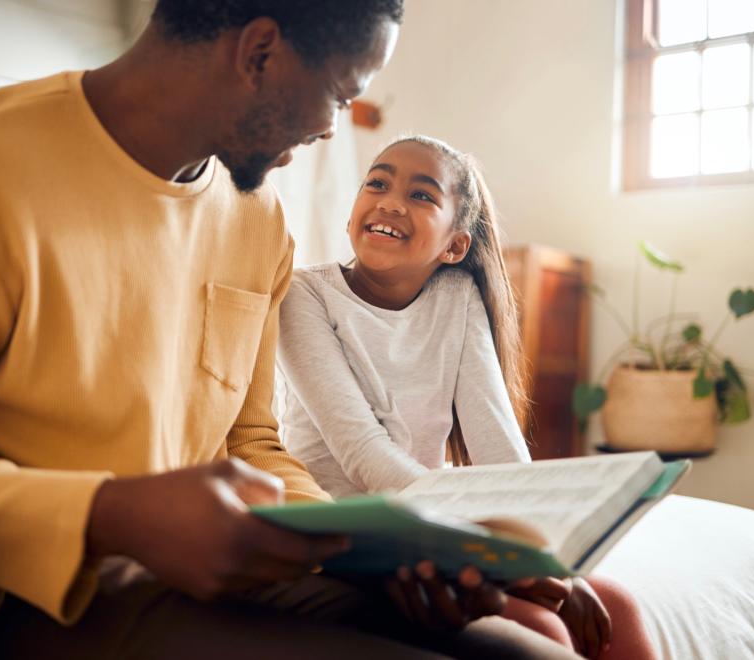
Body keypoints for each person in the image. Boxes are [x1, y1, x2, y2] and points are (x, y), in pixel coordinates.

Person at [0, 1, 580, 658]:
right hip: (49, 594)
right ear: (261, 54)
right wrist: (107, 513)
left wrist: (380, 553)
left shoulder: (257, 218)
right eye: (340, 95)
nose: (328, 130)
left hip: (234, 565)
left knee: (527, 651)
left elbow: (250, 441)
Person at [277, 134, 659, 660]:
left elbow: (498, 445)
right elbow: (363, 454)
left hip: (435, 526)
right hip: (352, 533)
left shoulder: (457, 298)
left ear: (454, 246)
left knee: (618, 608)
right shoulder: (303, 294)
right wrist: (486, 542)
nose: (390, 200)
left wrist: (547, 554)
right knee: (542, 631)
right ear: (352, 214)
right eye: (378, 183)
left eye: (421, 195)